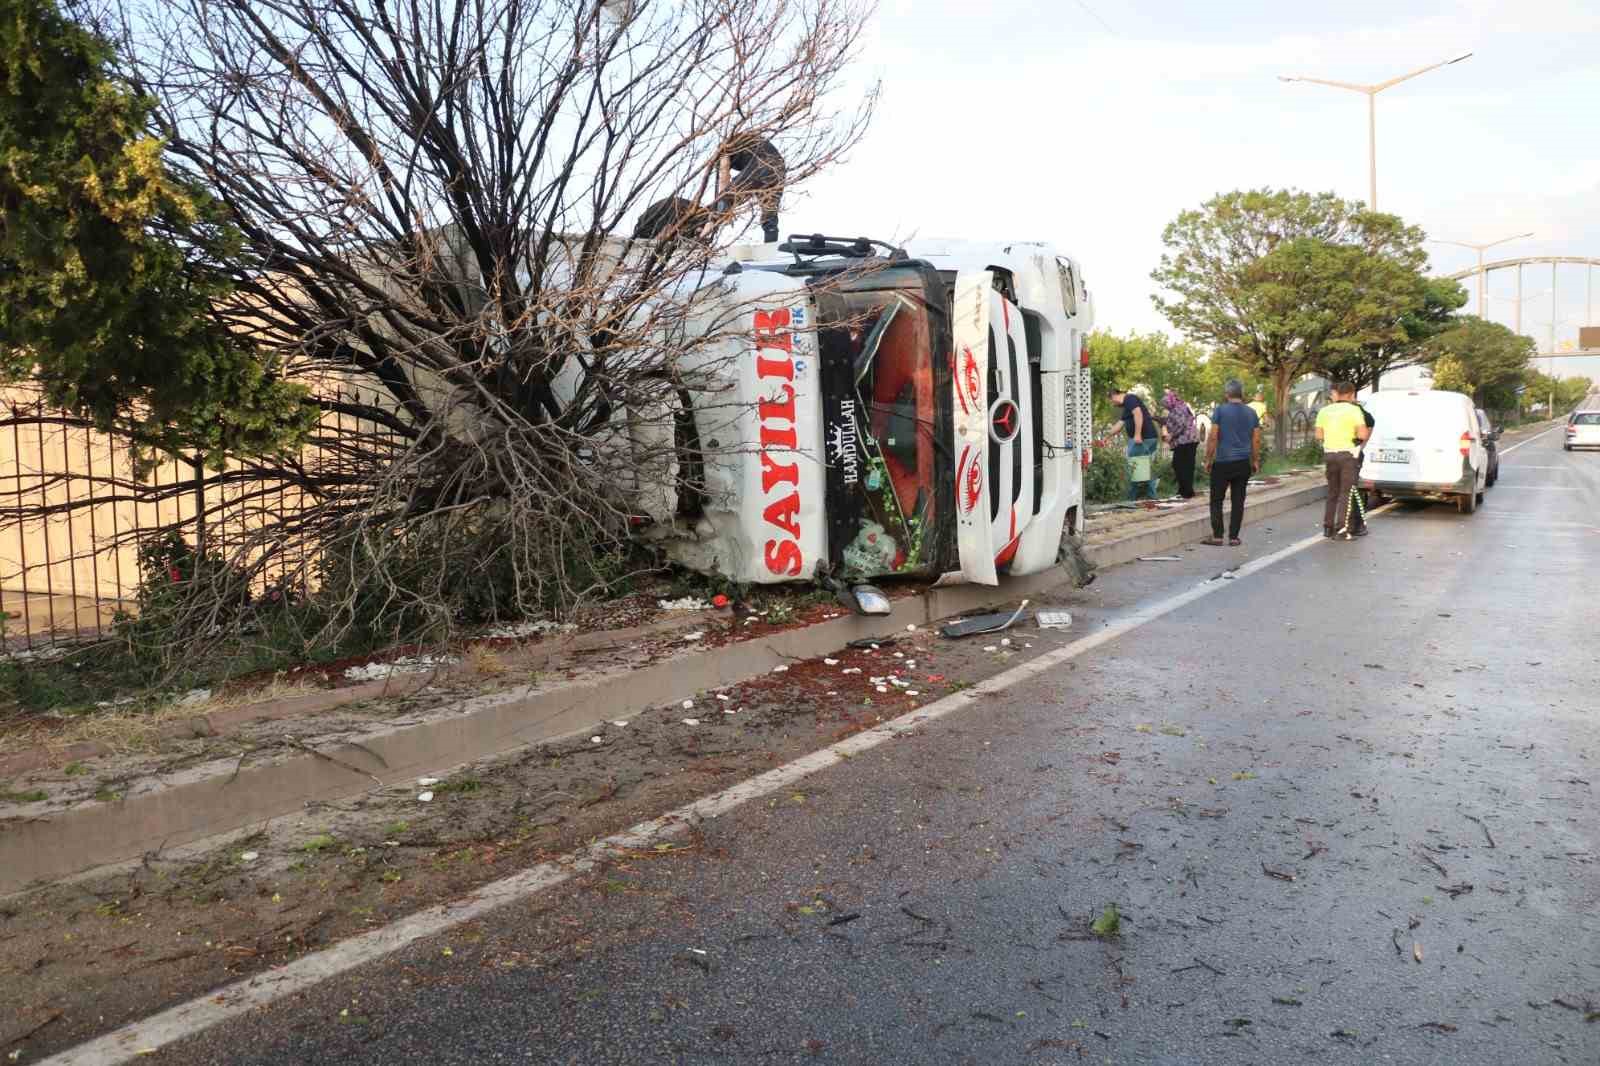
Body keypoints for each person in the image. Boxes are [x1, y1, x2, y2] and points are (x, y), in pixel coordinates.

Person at [1202, 379, 1261, 546]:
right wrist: (1255, 460)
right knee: (1238, 500)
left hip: (1222, 462)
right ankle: (1234, 537)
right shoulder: (1251, 413)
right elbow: (1256, 440)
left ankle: (1218, 536)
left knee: (1216, 499)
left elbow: (1213, 436)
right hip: (1243, 462)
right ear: (1241, 394)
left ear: (1226, 394)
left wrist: (1208, 459)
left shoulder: (1220, 411)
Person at [1315, 381, 1371, 540]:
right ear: (1352, 394)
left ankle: (1327, 527)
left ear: (1337, 393)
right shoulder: (1354, 410)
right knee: (1345, 492)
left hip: (1330, 455)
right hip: (1347, 456)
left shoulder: (1324, 411)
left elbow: (1319, 435)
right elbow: (1362, 435)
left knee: (1332, 491)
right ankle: (1342, 528)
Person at [1108, 385, 1159, 501]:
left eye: (1111, 401)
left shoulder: (1129, 399)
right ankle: (1151, 497)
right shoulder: (1127, 407)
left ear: (1113, 396)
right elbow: (1119, 425)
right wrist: (1106, 438)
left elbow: (1138, 414)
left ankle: (1131, 498)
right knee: (1143, 466)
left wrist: (1137, 434)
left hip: (1143, 438)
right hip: (1149, 437)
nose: (1113, 404)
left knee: (1132, 466)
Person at [1159, 388, 1201, 499]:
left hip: (1185, 440)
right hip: (1191, 439)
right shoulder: (1182, 406)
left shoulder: (1177, 409)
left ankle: (1185, 491)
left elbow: (1180, 425)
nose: (1165, 407)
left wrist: (1171, 435)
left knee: (1179, 465)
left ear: (1169, 402)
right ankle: (1186, 490)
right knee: (1187, 465)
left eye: (1165, 404)